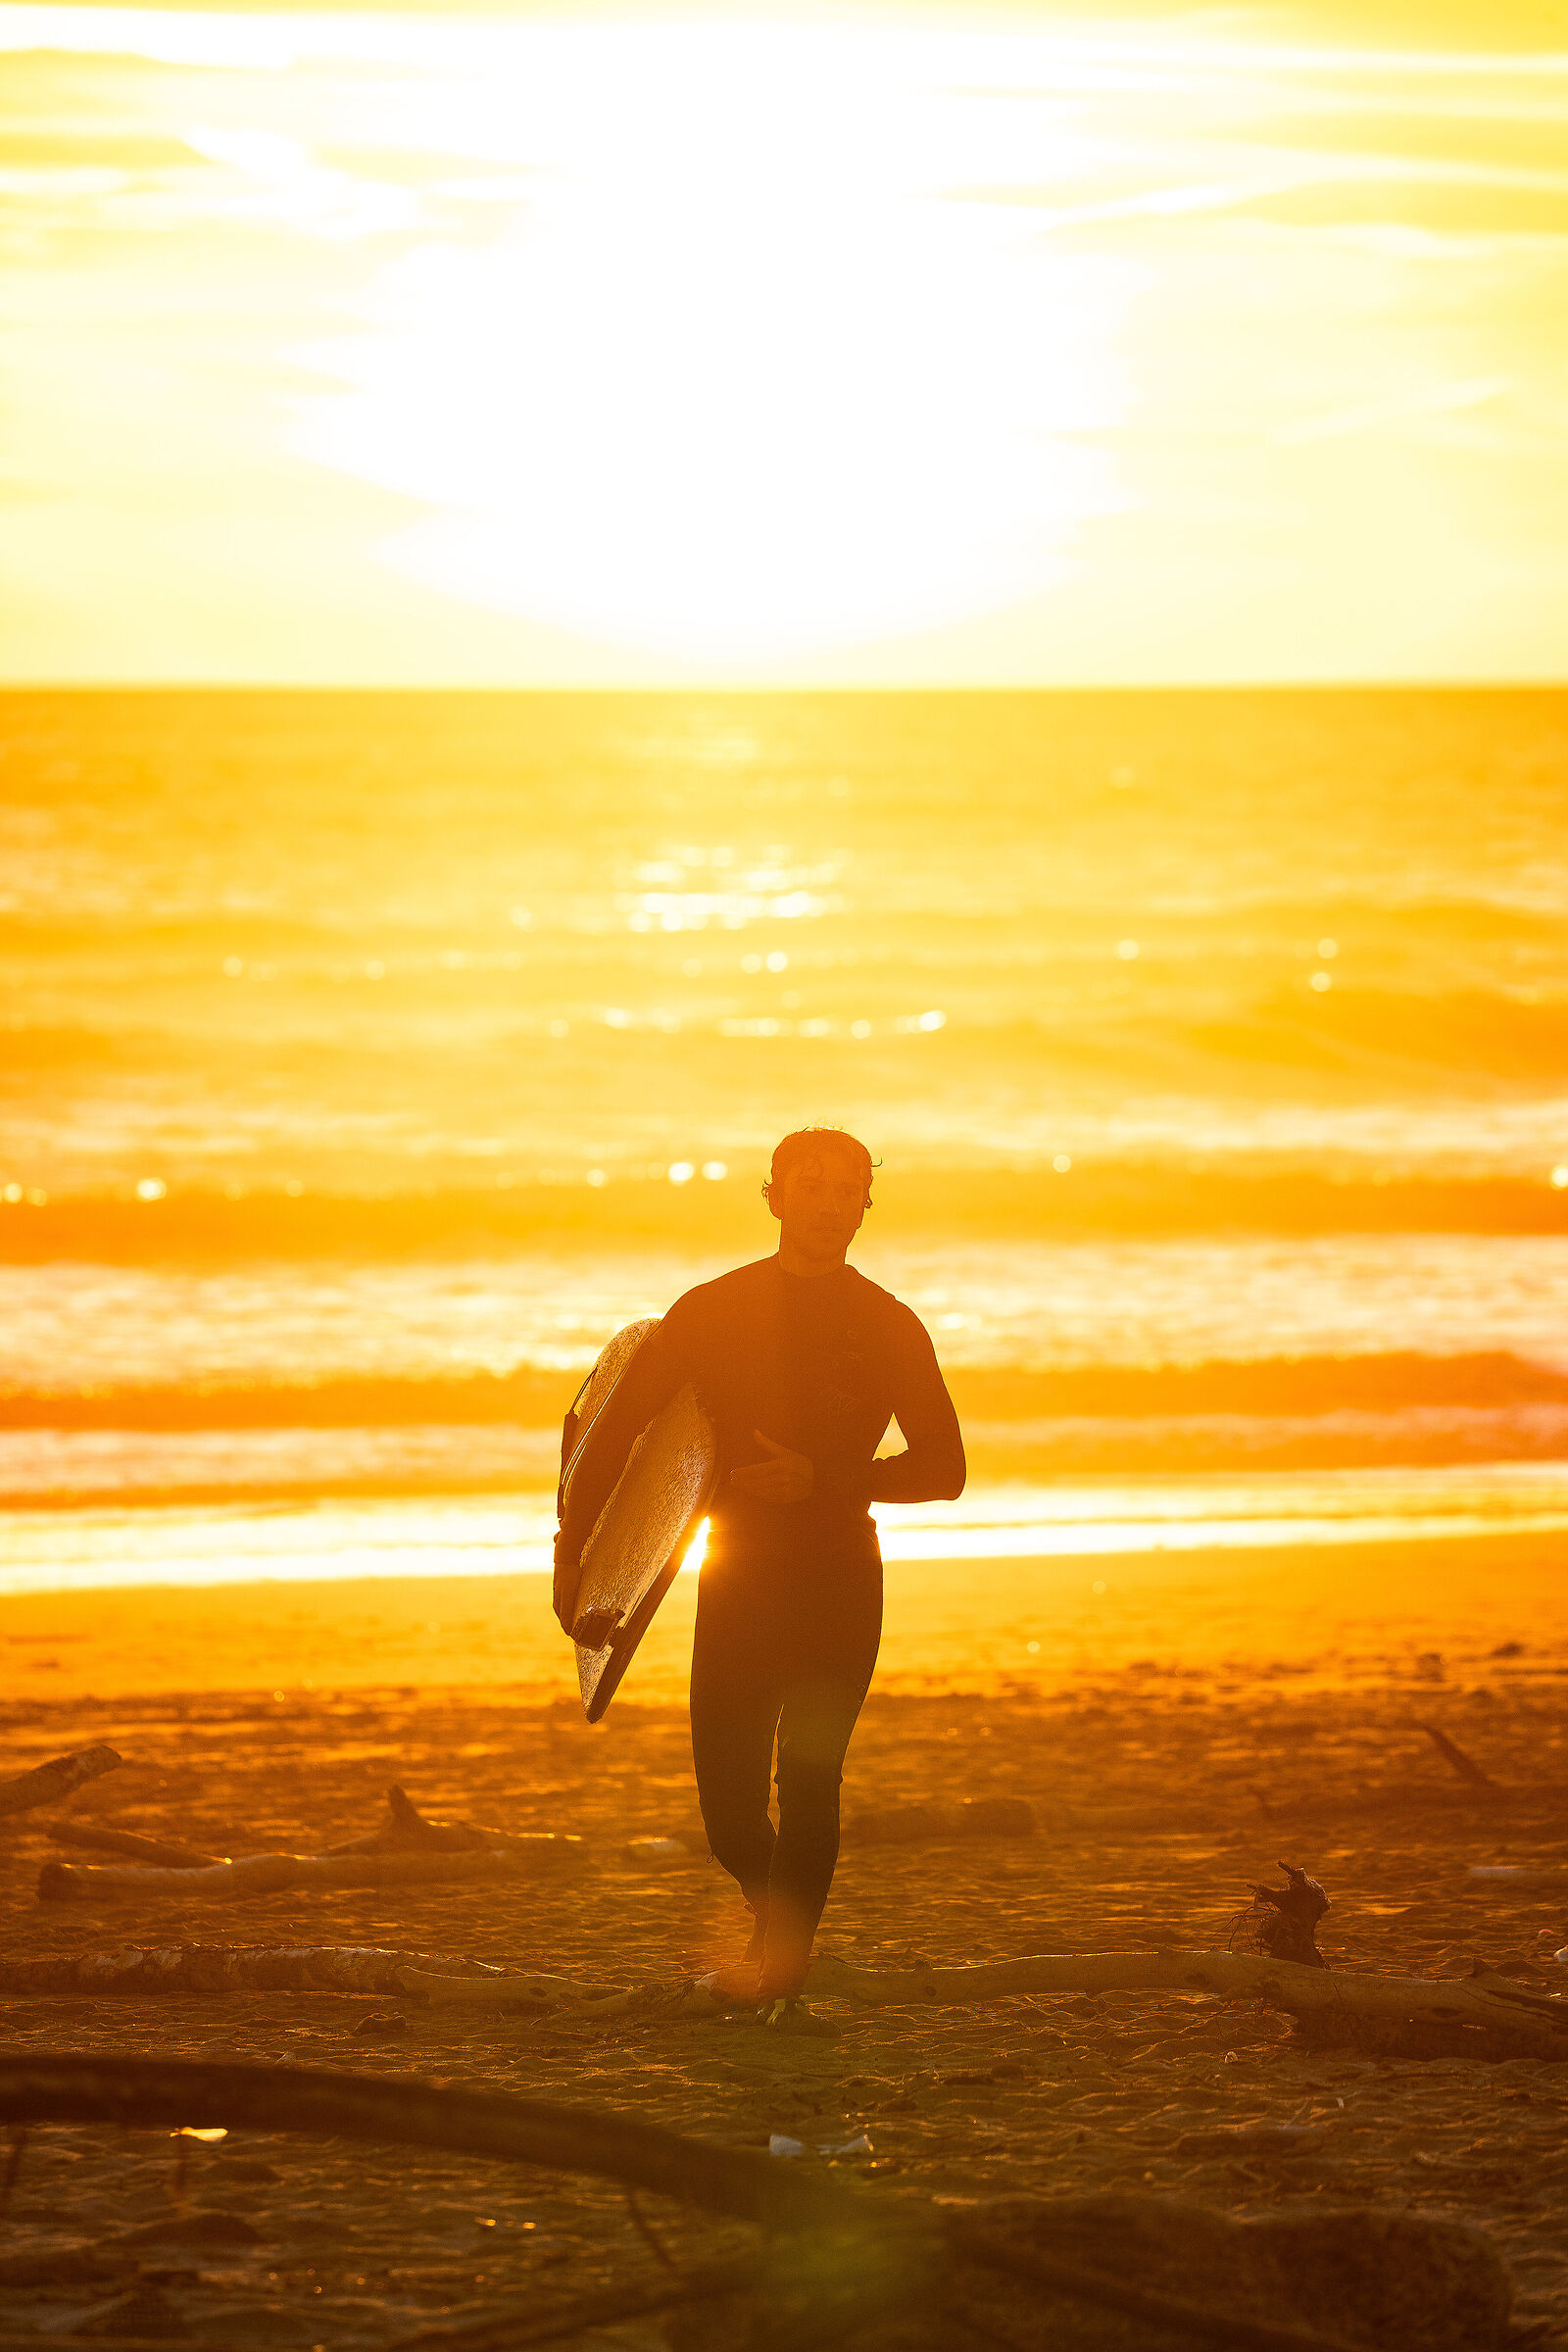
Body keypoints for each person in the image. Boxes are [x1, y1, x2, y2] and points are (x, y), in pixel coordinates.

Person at [553, 1126, 965, 2015]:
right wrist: (573, 1562)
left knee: (811, 1783)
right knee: (731, 1815)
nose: (827, 1200)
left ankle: (783, 1974)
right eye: (808, 1183)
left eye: (846, 1185)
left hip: (839, 1581)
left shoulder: (888, 1325)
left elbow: (945, 1470)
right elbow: (610, 1431)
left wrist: (826, 1476)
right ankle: (766, 1909)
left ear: (866, 1203)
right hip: (737, 1580)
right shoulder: (712, 1312)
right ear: (772, 1195)